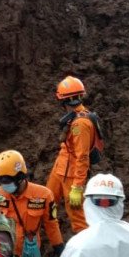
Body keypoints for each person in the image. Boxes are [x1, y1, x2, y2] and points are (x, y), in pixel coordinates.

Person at [46, 76, 98, 234]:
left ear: (62, 100)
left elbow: (82, 157)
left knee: (78, 218)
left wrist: (77, 187)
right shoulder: (74, 118)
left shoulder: (80, 124)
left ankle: (87, 250)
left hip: (72, 175)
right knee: (46, 203)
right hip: (60, 168)